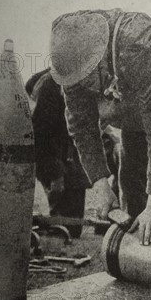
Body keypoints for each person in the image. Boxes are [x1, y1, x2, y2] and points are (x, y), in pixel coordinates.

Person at [49, 9, 151, 245]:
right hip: (132, 114)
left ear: (99, 61)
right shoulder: (72, 62)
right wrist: (100, 184)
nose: (80, 86)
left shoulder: (135, 48)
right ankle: (137, 252)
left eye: (85, 79)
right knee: (130, 180)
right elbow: (81, 128)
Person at [26, 68, 91, 239]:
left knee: (73, 227)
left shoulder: (79, 77)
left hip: (68, 154)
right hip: (52, 156)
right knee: (63, 231)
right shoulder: (50, 87)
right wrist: (55, 174)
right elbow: (40, 137)